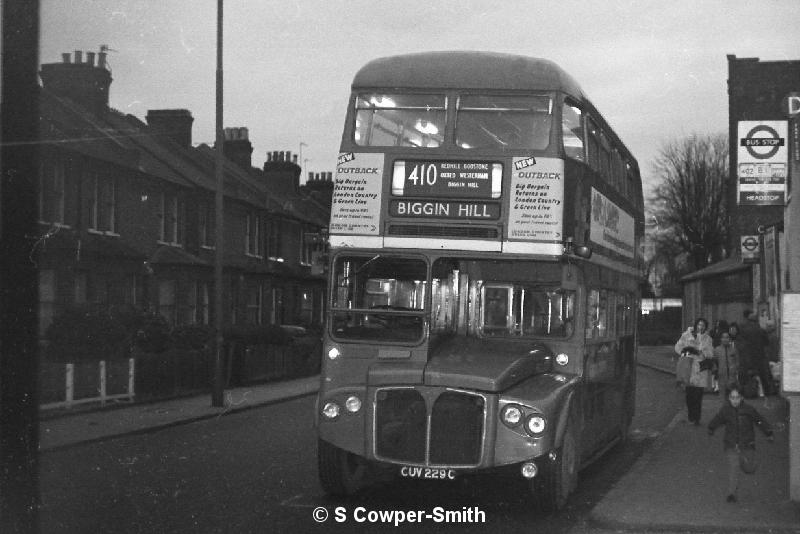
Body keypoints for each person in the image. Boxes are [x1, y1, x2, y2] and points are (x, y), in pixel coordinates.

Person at [708, 383, 774, 503]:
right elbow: (718, 419)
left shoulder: (749, 410)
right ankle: (731, 493)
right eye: (732, 398)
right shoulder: (726, 410)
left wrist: (768, 431)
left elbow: (759, 420)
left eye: (737, 397)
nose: (735, 400)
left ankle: (745, 464)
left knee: (749, 468)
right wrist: (711, 427)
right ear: (729, 398)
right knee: (734, 467)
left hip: (747, 443)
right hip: (731, 444)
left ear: (742, 397)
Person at [675, 318, 714, 424]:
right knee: (689, 395)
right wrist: (687, 352)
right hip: (689, 369)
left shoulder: (708, 339)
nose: (701, 327)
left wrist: (701, 352)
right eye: (699, 324)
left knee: (698, 395)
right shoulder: (686, 335)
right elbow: (678, 348)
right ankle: (691, 416)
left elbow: (711, 354)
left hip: (701, 369)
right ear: (696, 325)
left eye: (703, 325)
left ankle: (696, 418)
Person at [736, 310, 772, 397]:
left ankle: (744, 393)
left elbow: (739, 343)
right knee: (762, 376)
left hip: (746, 356)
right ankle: (765, 394)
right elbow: (766, 343)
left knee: (745, 376)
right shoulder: (760, 329)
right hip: (759, 356)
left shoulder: (741, 328)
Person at [713, 331, 739, 399]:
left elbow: (737, 361)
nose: (725, 339)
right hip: (721, 376)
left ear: (729, 339)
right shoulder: (717, 350)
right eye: (723, 337)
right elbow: (714, 362)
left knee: (733, 397)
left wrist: (735, 369)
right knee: (722, 397)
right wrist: (716, 371)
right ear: (721, 339)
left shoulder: (733, 350)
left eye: (727, 337)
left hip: (732, 377)